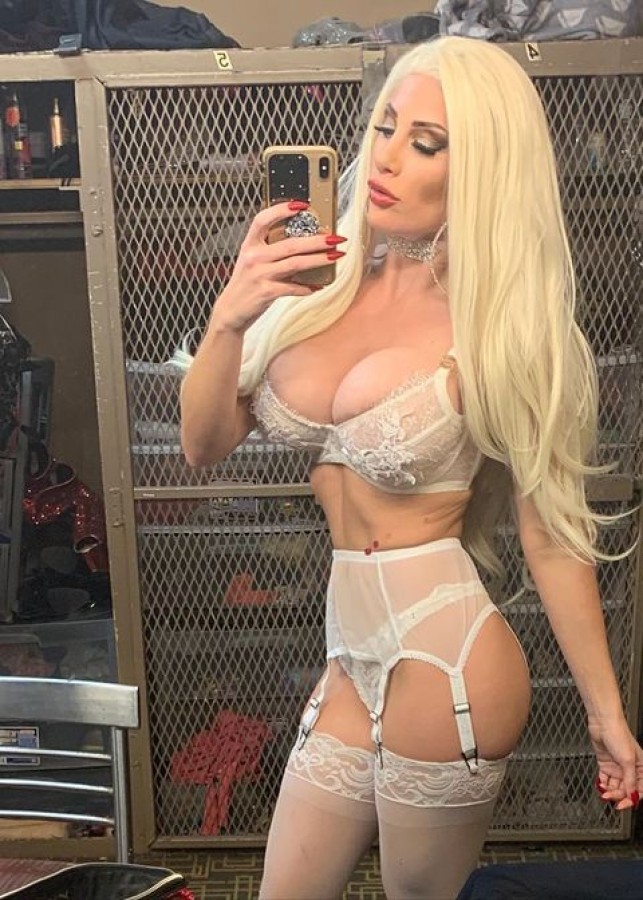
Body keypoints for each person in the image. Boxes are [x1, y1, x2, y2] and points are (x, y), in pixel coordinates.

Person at [177, 35, 643, 900]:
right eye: (385, 128)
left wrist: (605, 716)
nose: (387, 158)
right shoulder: (317, 288)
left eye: (426, 144)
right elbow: (203, 446)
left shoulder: (500, 329)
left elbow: (550, 538)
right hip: (348, 652)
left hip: (448, 657)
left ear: (483, 173)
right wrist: (229, 319)